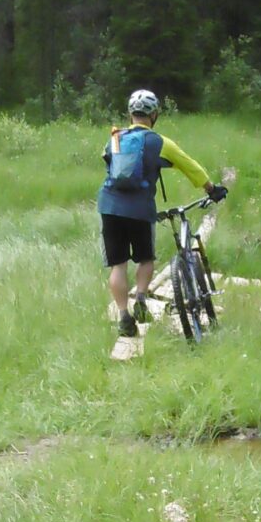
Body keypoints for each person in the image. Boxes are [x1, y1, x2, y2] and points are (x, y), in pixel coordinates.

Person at [98, 87, 226, 340]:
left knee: (118, 265)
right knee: (146, 259)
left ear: (130, 114)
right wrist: (212, 189)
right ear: (154, 115)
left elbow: (108, 163)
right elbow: (191, 167)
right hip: (140, 208)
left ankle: (124, 316)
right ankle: (142, 298)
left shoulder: (113, 138)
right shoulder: (160, 142)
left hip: (110, 207)